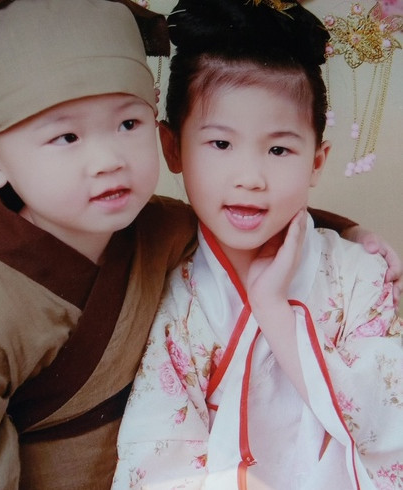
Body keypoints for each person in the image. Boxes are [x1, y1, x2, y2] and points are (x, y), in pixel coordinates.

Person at [0, 1, 400, 489]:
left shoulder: (163, 229)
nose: (109, 160)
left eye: (128, 124)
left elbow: (246, 217)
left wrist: (350, 234)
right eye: (66, 136)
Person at [112, 1, 403, 489]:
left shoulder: (361, 276)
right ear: (172, 148)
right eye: (221, 144)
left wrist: (274, 311)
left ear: (316, 161)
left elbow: (389, 425)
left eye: (279, 149)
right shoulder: (175, 298)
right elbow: (155, 463)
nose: (250, 178)